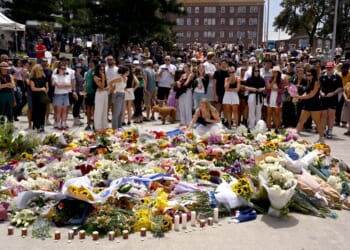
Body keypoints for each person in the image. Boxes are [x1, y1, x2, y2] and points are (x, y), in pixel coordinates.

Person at [295, 68, 325, 142]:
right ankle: (294, 136)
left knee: (317, 122)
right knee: (301, 121)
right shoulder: (309, 82)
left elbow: (311, 95)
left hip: (315, 104)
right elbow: (307, 92)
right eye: (307, 75)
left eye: (309, 75)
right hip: (307, 103)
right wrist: (300, 96)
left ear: (313, 75)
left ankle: (322, 138)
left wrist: (300, 97)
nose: (307, 76)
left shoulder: (317, 82)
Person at [319, 62, 343, 139]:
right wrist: (321, 92)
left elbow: (340, 88)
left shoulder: (337, 77)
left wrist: (333, 93)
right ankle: (323, 131)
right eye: (327, 68)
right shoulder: (322, 77)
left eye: (330, 68)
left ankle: (330, 131)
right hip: (324, 98)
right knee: (323, 115)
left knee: (331, 115)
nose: (329, 69)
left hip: (333, 98)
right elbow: (319, 87)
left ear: (333, 68)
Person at [245, 65, 266, 129]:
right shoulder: (249, 79)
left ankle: (258, 126)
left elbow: (265, 87)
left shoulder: (261, 79)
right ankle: (251, 126)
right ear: (253, 71)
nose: (256, 72)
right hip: (252, 95)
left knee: (259, 112)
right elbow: (245, 87)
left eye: (258, 71)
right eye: (255, 71)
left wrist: (262, 89)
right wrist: (251, 89)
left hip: (259, 96)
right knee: (251, 111)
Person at [265, 66, 286, 131]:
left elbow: (282, 90)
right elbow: (268, 87)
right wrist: (273, 81)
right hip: (270, 98)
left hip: (278, 99)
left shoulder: (282, 81)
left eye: (275, 72)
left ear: (278, 73)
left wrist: (274, 89)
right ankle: (268, 128)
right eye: (273, 72)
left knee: (277, 114)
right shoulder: (270, 79)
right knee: (269, 114)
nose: (273, 73)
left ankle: (277, 128)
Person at [52, 63, 72, 130]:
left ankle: (63, 123)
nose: (64, 70)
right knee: (58, 110)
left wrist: (62, 85)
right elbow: (58, 86)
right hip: (58, 94)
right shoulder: (55, 76)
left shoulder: (67, 76)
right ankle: (58, 124)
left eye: (65, 68)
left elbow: (69, 85)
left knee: (65, 110)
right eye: (62, 68)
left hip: (66, 94)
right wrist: (64, 85)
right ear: (59, 69)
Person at [29, 64, 48, 132]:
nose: (41, 71)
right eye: (40, 70)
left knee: (43, 111)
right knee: (36, 111)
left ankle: (42, 125)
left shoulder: (43, 78)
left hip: (42, 97)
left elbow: (47, 87)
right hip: (36, 97)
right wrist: (41, 89)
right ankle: (36, 126)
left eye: (42, 69)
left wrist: (46, 90)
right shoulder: (32, 78)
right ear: (36, 70)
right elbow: (33, 88)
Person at [93, 64, 109, 131]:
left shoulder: (105, 76)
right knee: (99, 110)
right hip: (99, 94)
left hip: (105, 93)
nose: (102, 71)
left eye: (103, 69)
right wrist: (102, 77)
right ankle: (98, 127)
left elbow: (107, 86)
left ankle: (104, 125)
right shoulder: (95, 77)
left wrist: (105, 88)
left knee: (105, 110)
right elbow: (102, 86)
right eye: (101, 69)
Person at [84, 59, 97, 130]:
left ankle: (95, 124)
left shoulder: (96, 72)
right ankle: (88, 124)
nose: (89, 63)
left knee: (94, 109)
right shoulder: (88, 71)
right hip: (88, 93)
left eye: (91, 62)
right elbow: (85, 82)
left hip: (95, 93)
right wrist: (85, 91)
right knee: (88, 109)